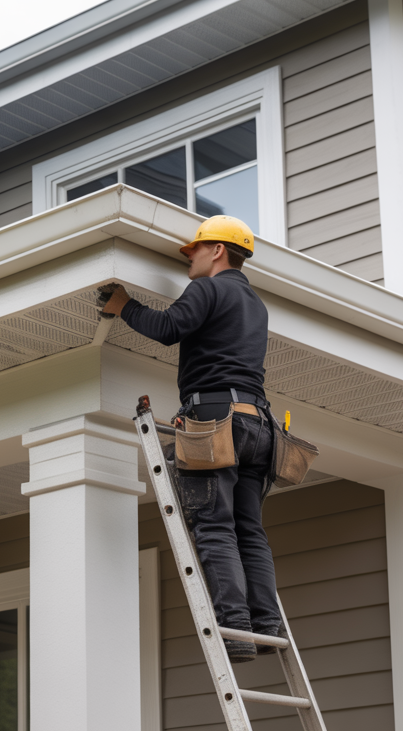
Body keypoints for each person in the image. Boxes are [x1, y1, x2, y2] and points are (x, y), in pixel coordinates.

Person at [111, 215, 278, 664]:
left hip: (215, 418)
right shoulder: (256, 304)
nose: (190, 258)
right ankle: (265, 626)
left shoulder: (208, 288)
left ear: (218, 250)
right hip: (258, 425)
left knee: (214, 525)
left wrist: (124, 304)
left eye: (195, 250)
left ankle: (236, 631)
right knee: (250, 531)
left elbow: (168, 330)